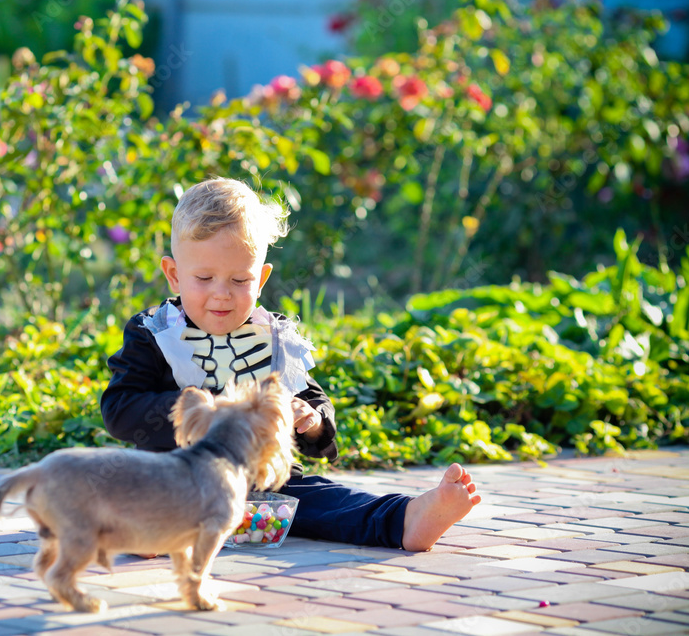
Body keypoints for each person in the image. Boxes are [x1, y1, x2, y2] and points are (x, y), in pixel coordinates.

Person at [101, 177, 480, 550]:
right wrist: (200, 411)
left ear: (262, 278)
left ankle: (405, 519)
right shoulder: (153, 332)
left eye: (239, 279)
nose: (222, 293)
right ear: (174, 275)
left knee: (323, 500)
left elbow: (317, 406)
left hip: (266, 488)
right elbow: (119, 409)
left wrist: (311, 421)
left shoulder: (275, 339)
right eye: (204, 277)